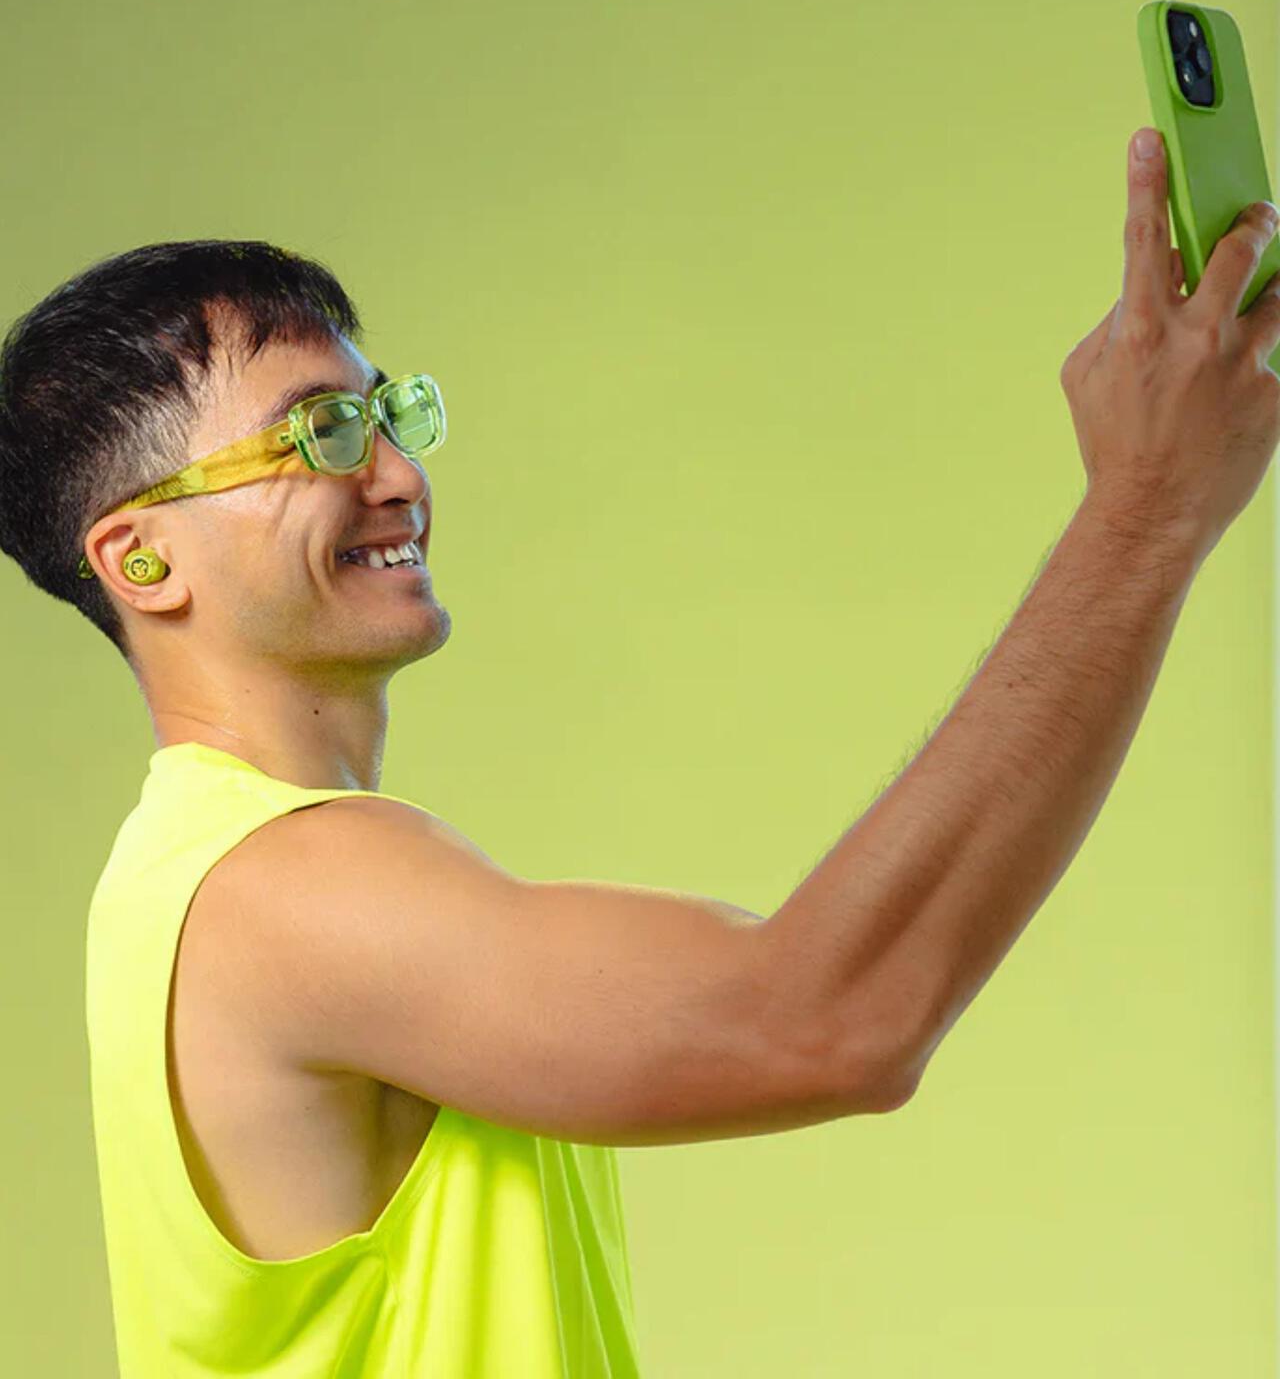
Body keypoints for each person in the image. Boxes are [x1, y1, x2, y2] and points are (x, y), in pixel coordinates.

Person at [1, 126, 1277, 1377]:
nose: (395, 475)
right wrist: (1146, 506)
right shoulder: (279, 890)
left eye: (387, 414)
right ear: (141, 561)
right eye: (319, 434)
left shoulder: (190, 879)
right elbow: (830, 1016)